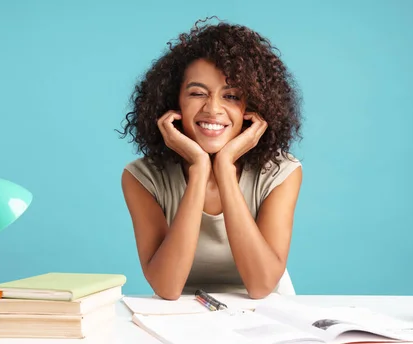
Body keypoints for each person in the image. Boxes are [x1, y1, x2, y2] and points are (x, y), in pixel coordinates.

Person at [118, 17, 303, 300]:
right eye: (197, 93)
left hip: (263, 313)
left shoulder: (281, 172)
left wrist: (225, 168)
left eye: (230, 96)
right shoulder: (142, 177)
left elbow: (261, 285)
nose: (213, 108)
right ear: (174, 102)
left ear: (251, 107)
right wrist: (200, 168)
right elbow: (167, 288)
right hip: (180, 313)